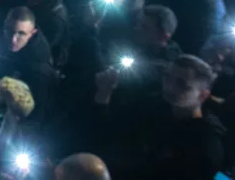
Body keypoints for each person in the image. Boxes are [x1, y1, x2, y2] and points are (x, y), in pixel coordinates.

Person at [93, 55, 225, 180]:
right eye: (167, 77)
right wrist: (104, 93)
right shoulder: (151, 107)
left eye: (181, 84)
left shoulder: (207, 140)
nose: (170, 87)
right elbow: (108, 133)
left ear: (203, 95)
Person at [0, 7, 55, 128]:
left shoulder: (39, 67)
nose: (13, 40)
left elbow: (36, 111)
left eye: (21, 34)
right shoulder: (1, 36)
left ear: (32, 33)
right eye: (10, 30)